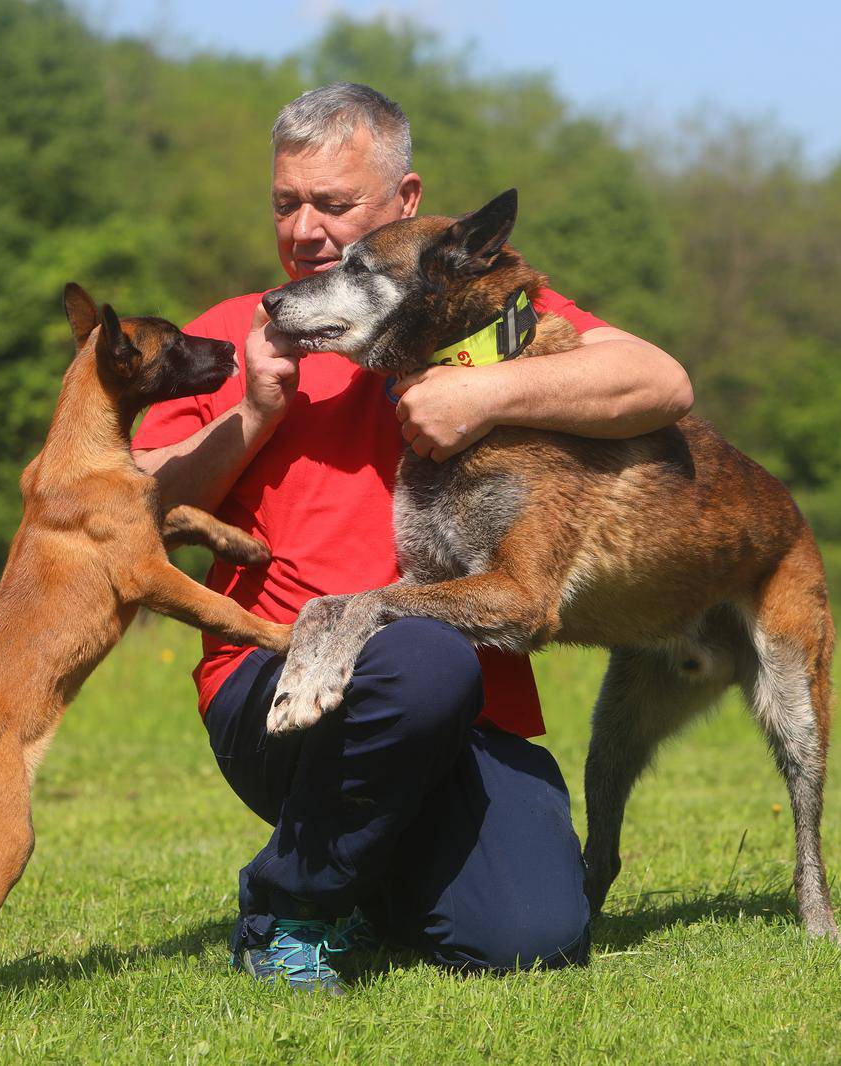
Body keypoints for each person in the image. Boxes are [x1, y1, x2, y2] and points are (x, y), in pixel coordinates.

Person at [133, 82, 693, 992]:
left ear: (407, 204)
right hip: (280, 690)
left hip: (474, 712)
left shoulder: (484, 326)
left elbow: (661, 382)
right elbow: (132, 513)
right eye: (287, 203)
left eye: (335, 204)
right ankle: (292, 903)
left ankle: (362, 874)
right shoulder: (238, 332)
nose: (306, 228)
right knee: (422, 659)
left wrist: (489, 392)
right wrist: (254, 412)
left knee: (533, 937)